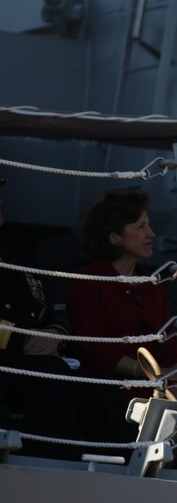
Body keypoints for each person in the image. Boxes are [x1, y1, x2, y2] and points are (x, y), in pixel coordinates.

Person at [66, 190, 177, 441]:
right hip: (106, 387)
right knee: (176, 398)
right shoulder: (86, 283)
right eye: (141, 226)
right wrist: (156, 374)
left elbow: (166, 344)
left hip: (153, 382)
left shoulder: (152, 285)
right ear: (114, 237)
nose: (151, 234)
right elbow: (96, 349)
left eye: (149, 225)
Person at [0, 177, 84, 459]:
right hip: (10, 355)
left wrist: (54, 334)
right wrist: (22, 339)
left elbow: (50, 310)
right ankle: (63, 466)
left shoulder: (16, 259)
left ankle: (118, 465)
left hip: (33, 356)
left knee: (95, 388)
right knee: (50, 374)